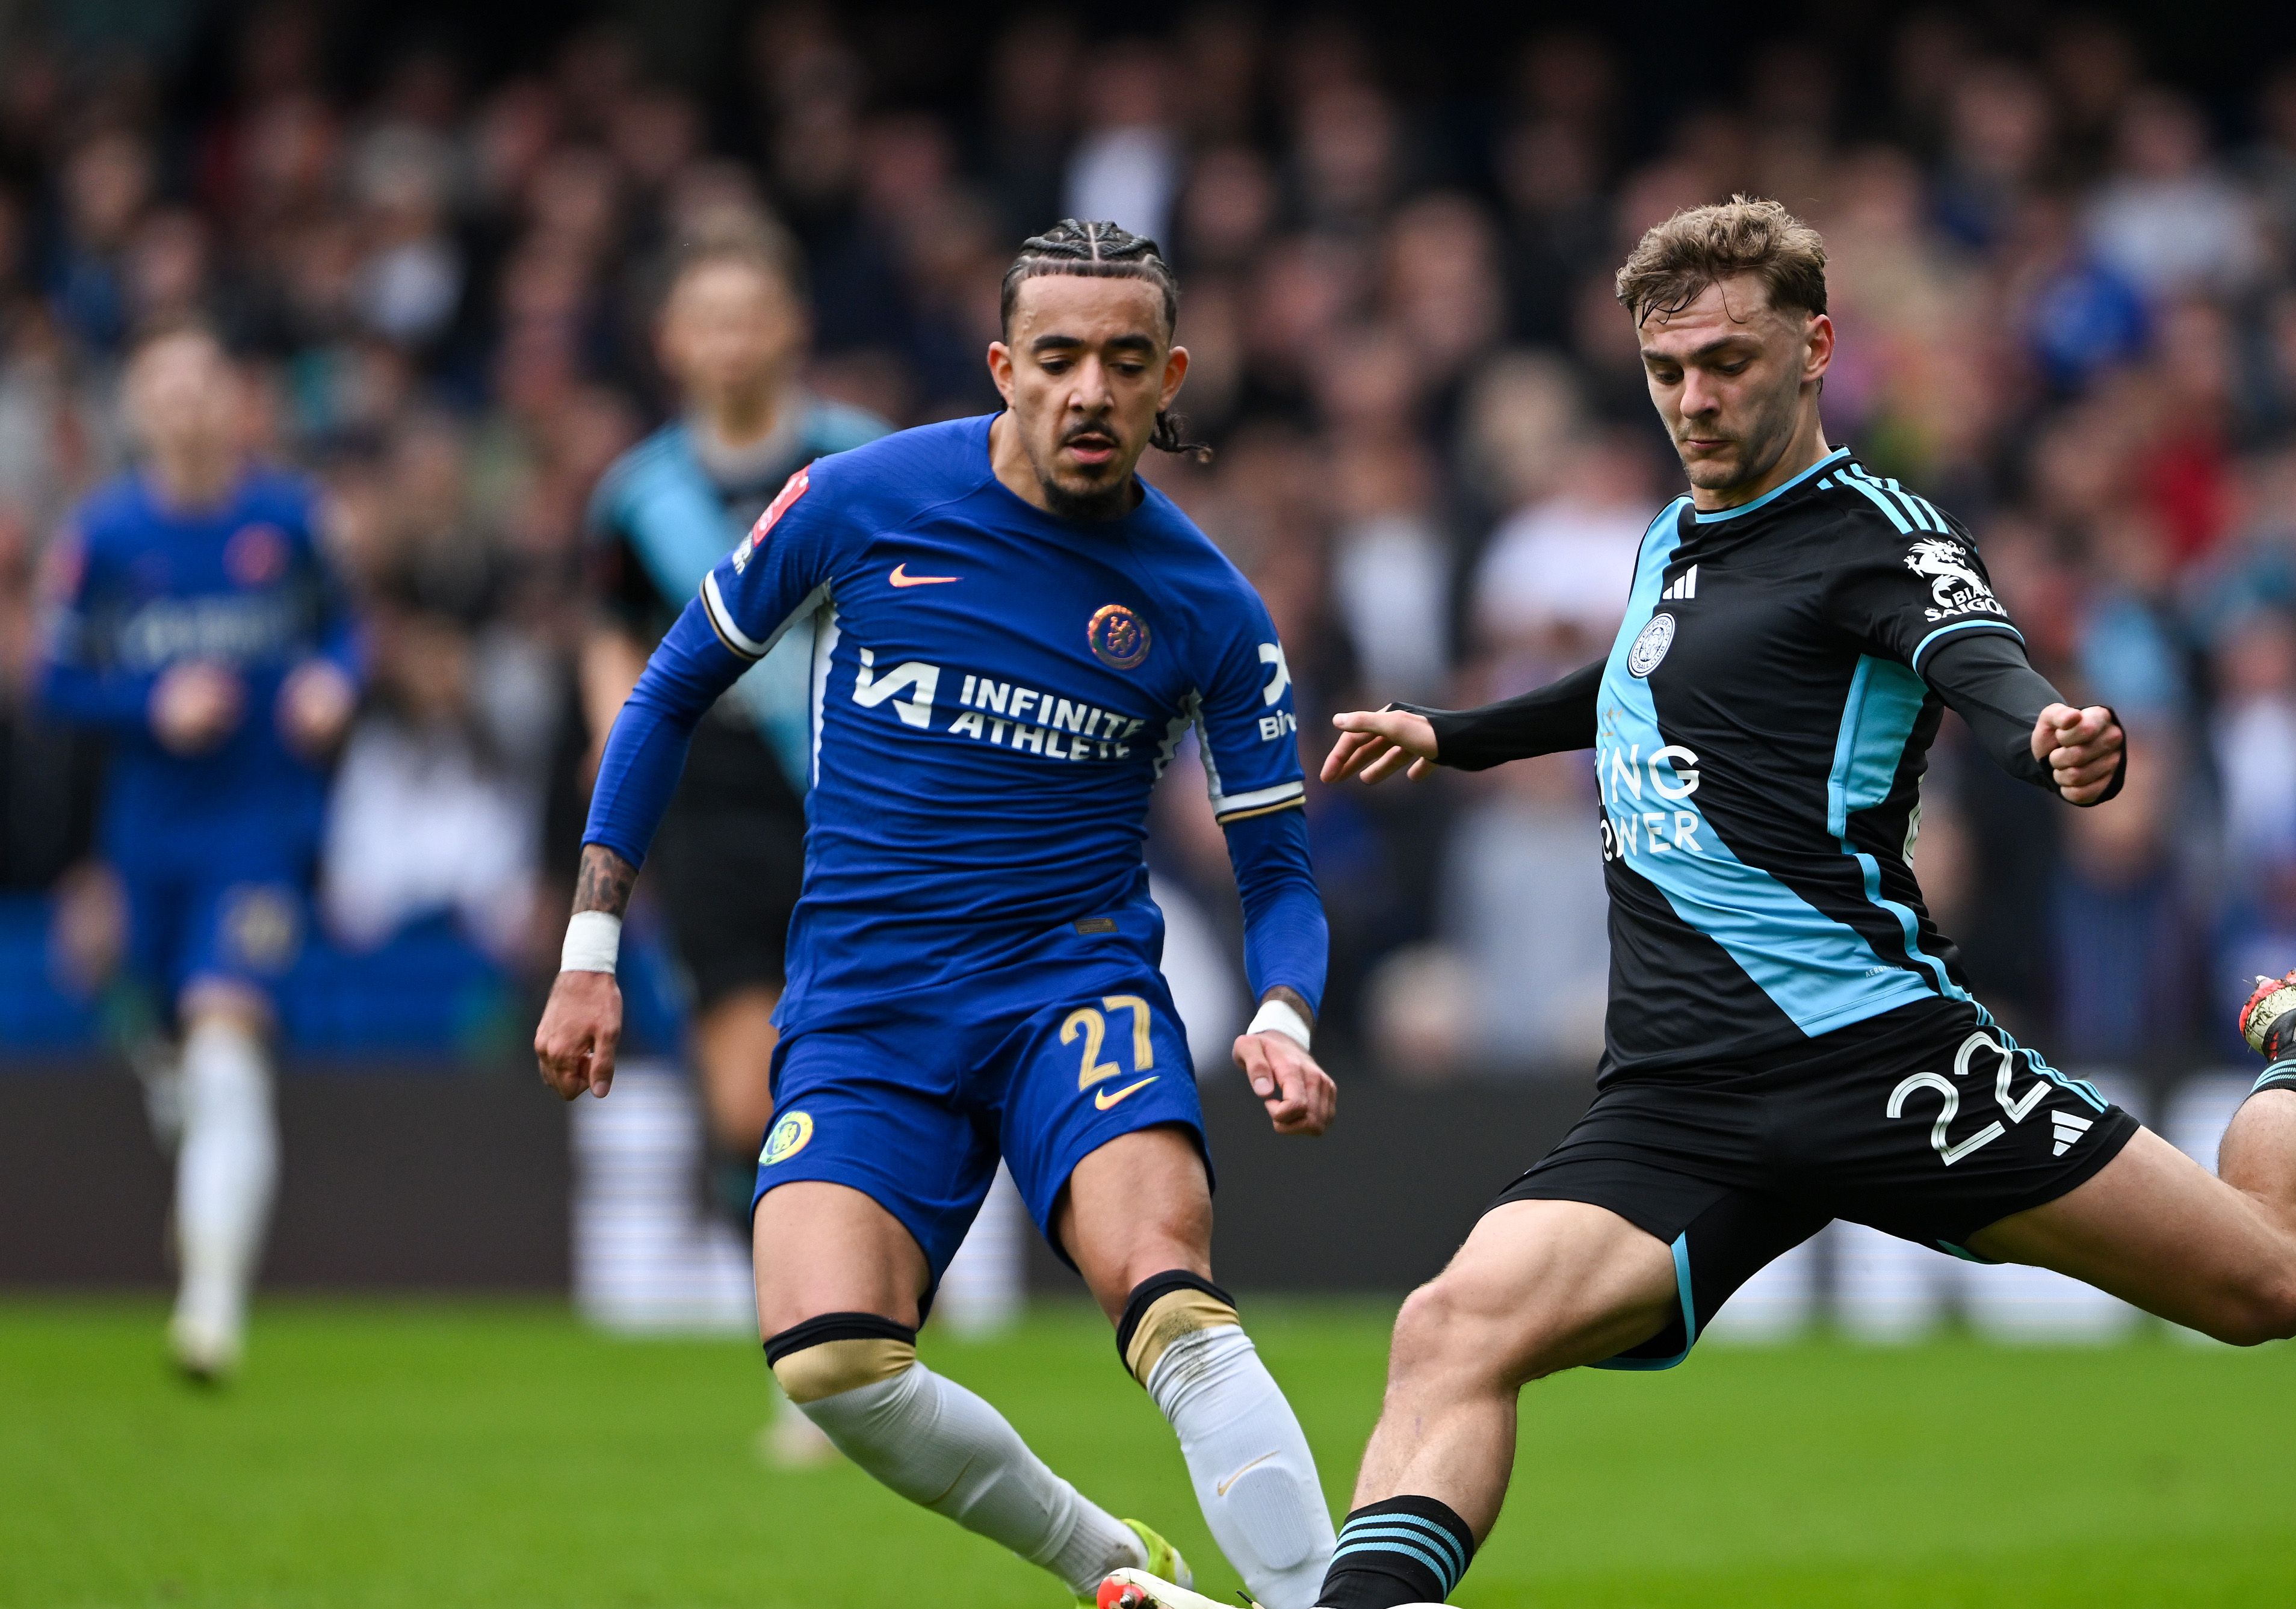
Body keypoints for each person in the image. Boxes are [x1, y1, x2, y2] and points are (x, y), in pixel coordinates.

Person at [1109, 198, 2296, 1609]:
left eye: (1726, 361)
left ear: (1816, 346)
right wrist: (1454, 733)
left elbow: (1980, 660)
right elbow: (1641, 680)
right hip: (1682, 1092)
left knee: (2268, 1282)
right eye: (1665, 371)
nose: (1693, 400)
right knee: (1453, 1327)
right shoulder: (1673, 536)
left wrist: (2053, 736)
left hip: (1881, 1058)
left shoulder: (1874, 531)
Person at [533, 221, 1342, 1609]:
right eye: (1059, 356)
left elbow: (1277, 874)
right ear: (1002, 366)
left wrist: (1281, 1006)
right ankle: (1110, 1560)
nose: (1090, 389)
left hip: (1068, 990)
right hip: (867, 1000)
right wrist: (590, 948)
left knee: (1168, 1292)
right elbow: (662, 694)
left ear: (1172, 380)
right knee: (830, 1358)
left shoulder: (1211, 605)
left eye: (1126, 360)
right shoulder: (857, 498)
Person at [580, 223, 890, 1462]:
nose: (726, 342)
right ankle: (806, 1348)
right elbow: (607, 631)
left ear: (788, 328)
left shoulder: (862, 459)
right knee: (740, 1089)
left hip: (859, 803)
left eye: (745, 316)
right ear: (671, 342)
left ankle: (865, 1316)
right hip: (710, 814)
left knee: (854, 1068)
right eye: (702, 320)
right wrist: (626, 737)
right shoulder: (636, 495)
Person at [37, 325, 360, 1382]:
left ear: (233, 401)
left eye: (200, 384)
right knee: (181, 1068)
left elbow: (345, 632)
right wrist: (151, 701)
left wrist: (330, 683)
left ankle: (211, 1309)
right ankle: (206, 1231)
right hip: (147, 840)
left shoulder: (288, 519)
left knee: (228, 1048)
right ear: (137, 409)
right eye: (161, 388)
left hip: (257, 832)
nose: (183, 405)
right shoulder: (103, 534)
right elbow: (56, 679)